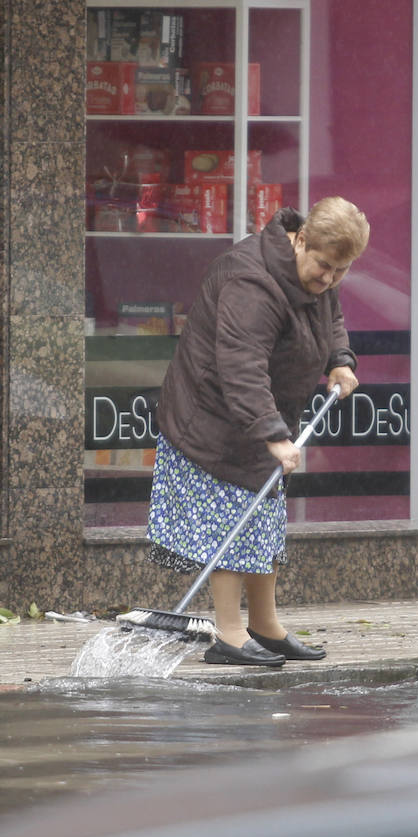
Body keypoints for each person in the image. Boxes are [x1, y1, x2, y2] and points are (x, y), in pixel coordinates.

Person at [147, 197, 370, 667]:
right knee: (229, 525)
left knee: (262, 525)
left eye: (341, 271)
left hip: (261, 418)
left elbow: (329, 316)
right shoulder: (250, 281)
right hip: (212, 419)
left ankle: (265, 626)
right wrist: (272, 434)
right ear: (301, 239)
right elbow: (241, 366)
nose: (329, 279)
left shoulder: (315, 273)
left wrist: (340, 360)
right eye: (324, 266)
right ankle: (228, 635)